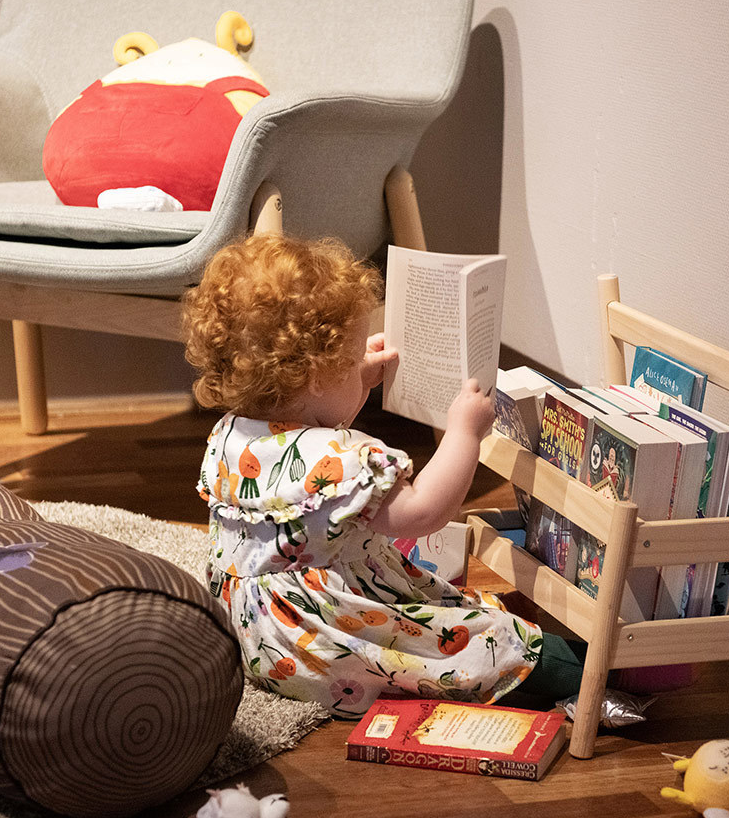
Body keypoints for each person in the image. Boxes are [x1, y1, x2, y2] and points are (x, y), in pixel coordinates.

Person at [183, 232, 584, 717]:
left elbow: (314, 465)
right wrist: (464, 434)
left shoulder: (230, 435)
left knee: (449, 606)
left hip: (258, 639)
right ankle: (580, 670)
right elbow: (424, 512)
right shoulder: (348, 457)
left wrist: (356, 379)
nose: (361, 368)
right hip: (324, 642)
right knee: (483, 639)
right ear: (317, 376)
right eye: (352, 361)